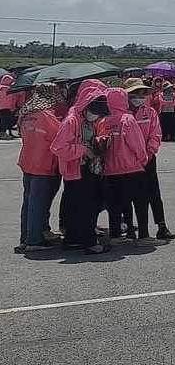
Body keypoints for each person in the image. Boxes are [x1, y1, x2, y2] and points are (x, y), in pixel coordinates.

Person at [51, 82, 111, 254]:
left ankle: (73, 239)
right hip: (77, 169)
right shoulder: (72, 121)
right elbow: (58, 147)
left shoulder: (85, 120)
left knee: (75, 207)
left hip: (81, 169)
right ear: (86, 105)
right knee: (87, 208)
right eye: (95, 112)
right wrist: (84, 150)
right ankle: (89, 242)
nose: (96, 116)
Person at [126, 80, 175, 242]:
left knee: (154, 193)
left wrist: (148, 153)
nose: (140, 97)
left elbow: (156, 135)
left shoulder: (150, 112)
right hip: (129, 161)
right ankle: (130, 228)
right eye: (136, 93)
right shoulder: (122, 113)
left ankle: (161, 226)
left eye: (142, 93)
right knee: (131, 196)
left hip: (148, 159)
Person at [100, 88, 150, 244]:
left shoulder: (103, 121)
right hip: (130, 167)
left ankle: (115, 234)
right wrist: (143, 159)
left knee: (115, 204)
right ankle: (139, 233)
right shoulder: (127, 119)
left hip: (110, 169)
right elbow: (137, 144)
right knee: (138, 201)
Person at [15, 84, 62, 253]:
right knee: (38, 203)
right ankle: (34, 239)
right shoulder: (46, 115)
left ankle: (26, 238)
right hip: (44, 165)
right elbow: (59, 136)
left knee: (28, 202)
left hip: (28, 162)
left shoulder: (26, 114)